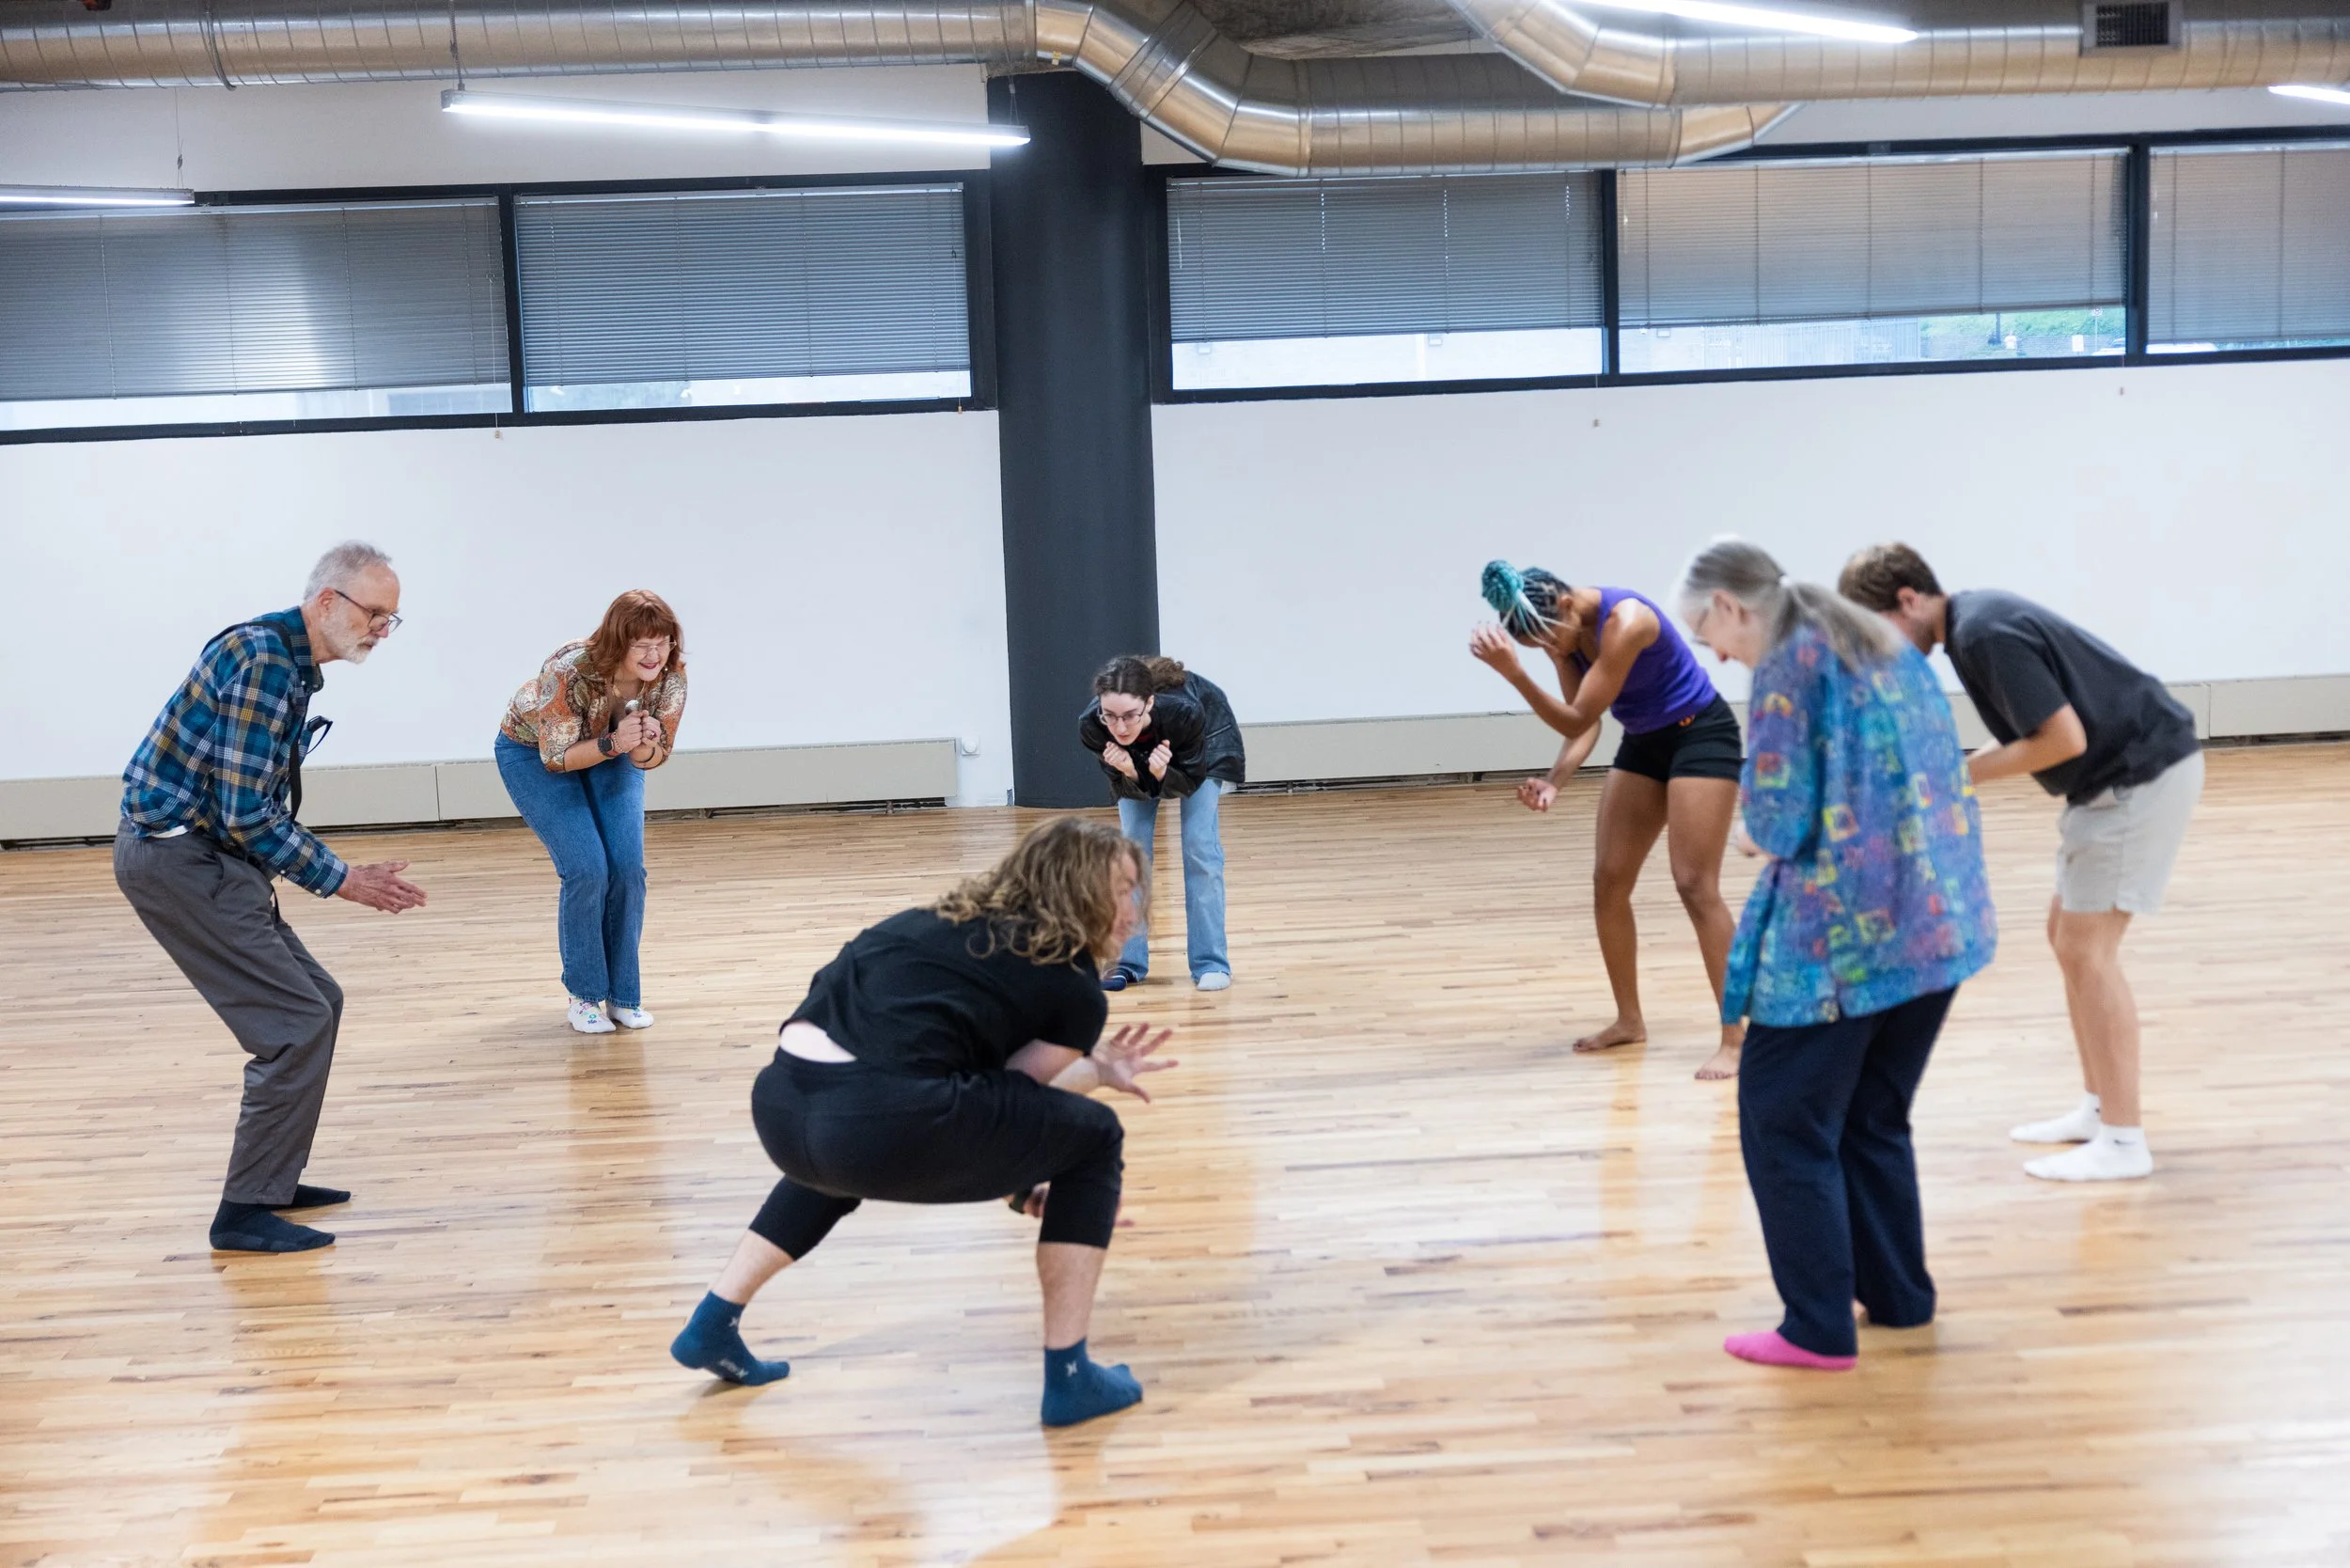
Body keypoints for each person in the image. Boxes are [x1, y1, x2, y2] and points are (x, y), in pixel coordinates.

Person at [667, 816, 1176, 1427]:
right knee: (1094, 1138)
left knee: (847, 1132)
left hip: (782, 1108)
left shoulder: (927, 923)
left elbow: (977, 1100)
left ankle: (711, 1324)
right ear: (1082, 892)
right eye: (1124, 889)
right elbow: (1007, 1099)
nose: (1133, 911)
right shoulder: (1071, 988)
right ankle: (1071, 1379)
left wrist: (1073, 1099)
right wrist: (1039, 1166)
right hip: (877, 1122)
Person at [1676, 539, 1997, 1372]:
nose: (1715, 654)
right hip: (1937, 924)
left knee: (1783, 1121)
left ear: (1733, 608)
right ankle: (1897, 1296)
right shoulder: (1875, 638)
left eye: (1709, 633)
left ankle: (1816, 1325)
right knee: (1870, 1116)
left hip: (1846, 943)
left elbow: (1782, 822)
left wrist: (1751, 833)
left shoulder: (1787, 664)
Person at [1839, 545, 2201, 1184]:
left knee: (2089, 952)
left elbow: (2063, 740)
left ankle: (2124, 1140)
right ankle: (2099, 1109)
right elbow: (2031, 731)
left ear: (1906, 599)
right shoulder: (1974, 626)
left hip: (2138, 779)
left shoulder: (1984, 633)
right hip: (2116, 781)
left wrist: (1952, 777)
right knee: (2067, 939)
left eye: (1878, 629)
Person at [114, 541, 430, 1255]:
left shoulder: (286, 660)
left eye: (392, 619)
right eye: (375, 613)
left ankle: (272, 1179)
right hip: (179, 860)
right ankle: (243, 1215)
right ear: (327, 603)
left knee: (321, 1000)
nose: (383, 629)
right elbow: (246, 813)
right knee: (293, 1023)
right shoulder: (263, 660)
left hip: (204, 857)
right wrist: (343, 878)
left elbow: (245, 812)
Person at [1472, 561, 1746, 1079]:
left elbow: (1574, 716)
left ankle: (1737, 1039)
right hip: (1646, 740)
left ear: (1569, 604)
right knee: (1609, 879)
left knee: (1694, 884)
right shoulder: (1565, 635)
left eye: (1549, 639)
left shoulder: (1628, 621)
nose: (1550, 649)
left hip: (1701, 735)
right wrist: (1555, 780)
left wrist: (1514, 674)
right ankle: (1629, 1021)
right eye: (1537, 648)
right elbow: (1586, 721)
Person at [495, 591, 687, 1036]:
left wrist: (643, 743)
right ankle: (584, 997)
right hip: (535, 755)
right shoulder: (571, 669)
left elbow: (654, 757)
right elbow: (557, 759)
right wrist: (617, 743)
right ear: (618, 643)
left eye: (663, 642)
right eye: (641, 645)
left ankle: (623, 997)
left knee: (627, 870)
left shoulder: (671, 678)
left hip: (612, 749)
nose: (654, 654)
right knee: (586, 868)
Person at [1077, 654, 1246, 993]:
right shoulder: (1093, 726)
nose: (1120, 727)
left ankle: (1211, 962)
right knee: (1132, 852)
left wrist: (1161, 772)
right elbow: (1127, 786)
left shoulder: (1185, 713)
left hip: (1203, 746)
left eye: (1129, 716)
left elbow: (1188, 781)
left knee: (1199, 847)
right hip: (1145, 761)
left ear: (1149, 702)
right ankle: (1127, 961)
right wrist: (1130, 770)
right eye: (1110, 716)